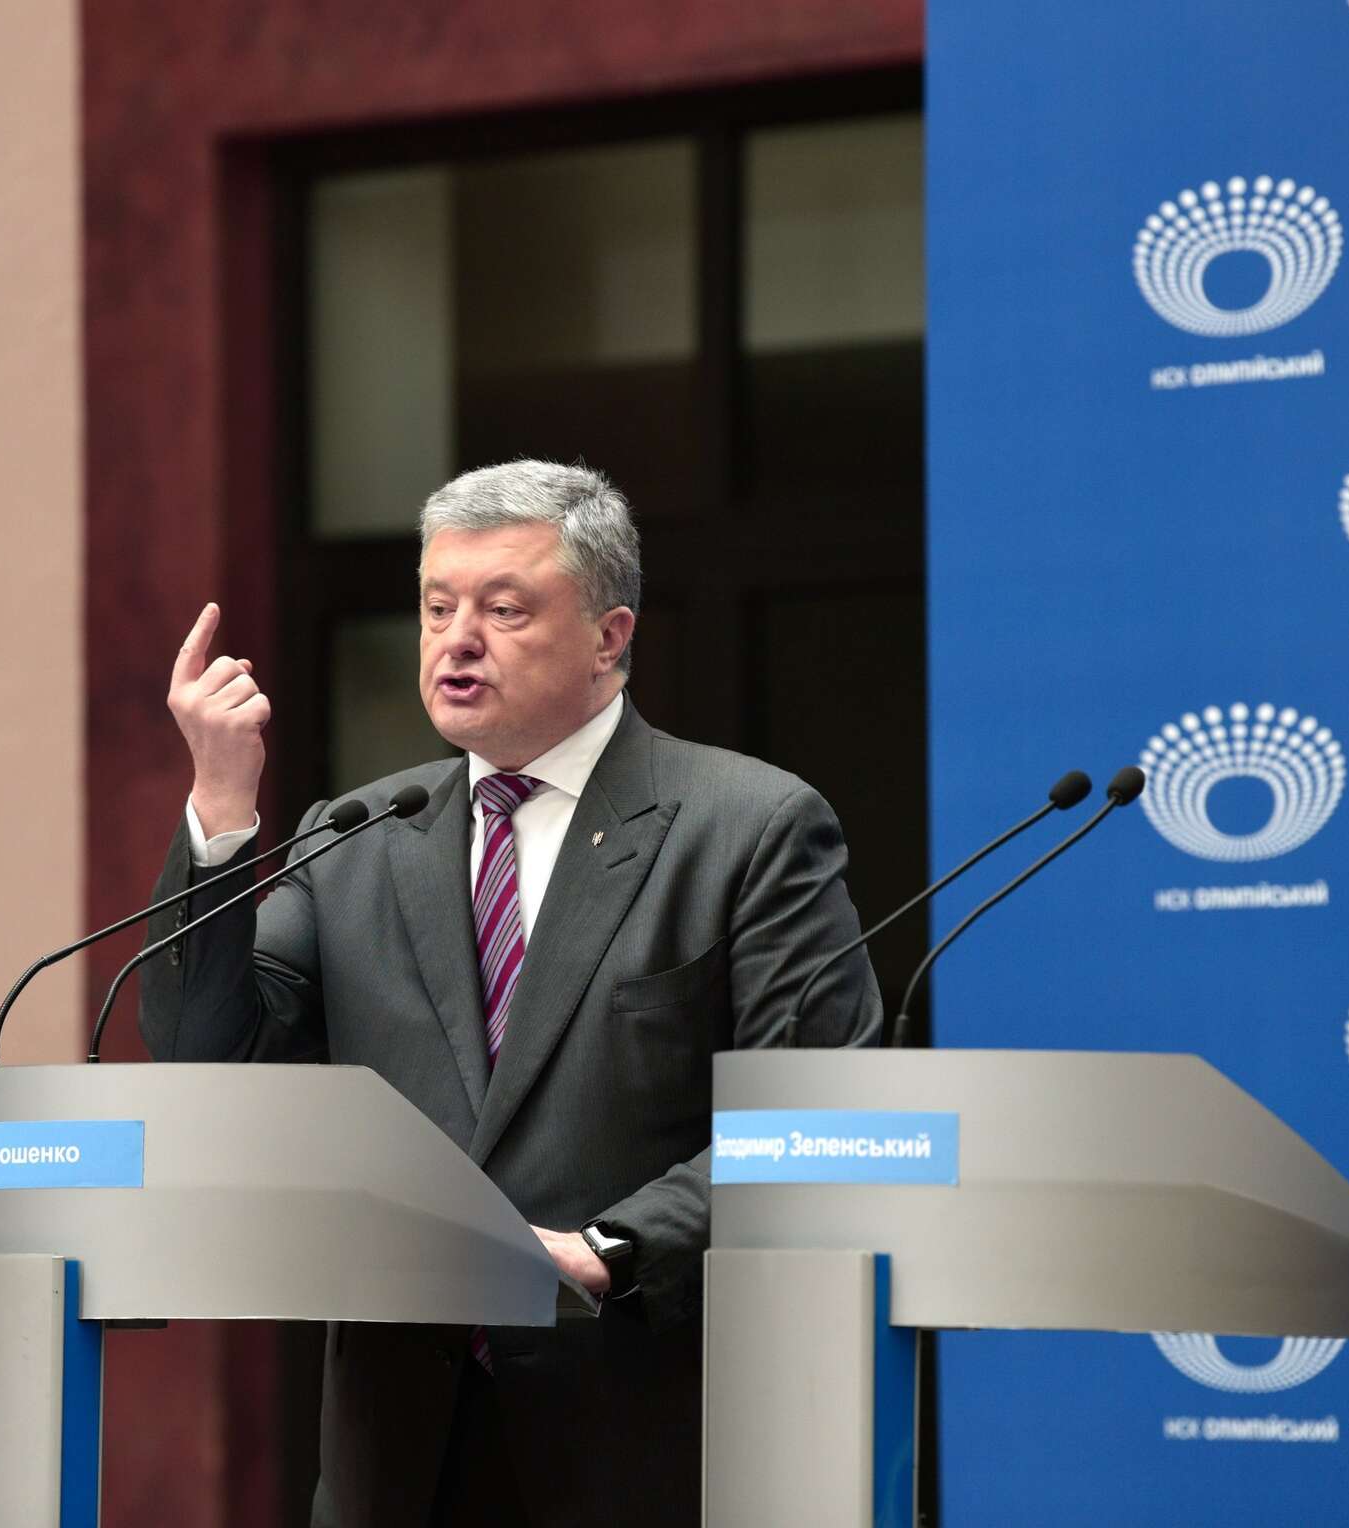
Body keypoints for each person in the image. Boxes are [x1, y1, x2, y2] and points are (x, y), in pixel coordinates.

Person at [140, 460, 882, 1527]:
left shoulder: (746, 828)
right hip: (400, 1458)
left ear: (609, 637)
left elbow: (818, 1123)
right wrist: (220, 804)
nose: (457, 640)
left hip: (644, 1438)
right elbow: (206, 1058)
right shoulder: (356, 837)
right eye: (437, 607)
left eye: (504, 609)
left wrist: (611, 1248)